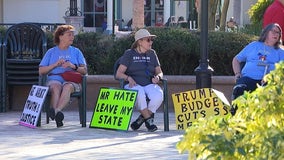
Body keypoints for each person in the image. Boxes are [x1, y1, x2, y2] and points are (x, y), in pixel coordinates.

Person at [39, 25, 87, 127]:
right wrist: (55, 65)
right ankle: (57, 114)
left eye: (73, 35)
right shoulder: (51, 52)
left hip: (71, 80)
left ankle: (56, 111)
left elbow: (84, 70)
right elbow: (41, 71)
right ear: (60, 36)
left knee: (67, 86)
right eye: (69, 34)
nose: (72, 37)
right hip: (54, 79)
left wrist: (73, 66)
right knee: (55, 87)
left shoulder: (76, 51)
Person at [115, 29, 164, 132]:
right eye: (148, 40)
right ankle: (149, 121)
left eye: (151, 40)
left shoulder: (152, 53)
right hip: (133, 84)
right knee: (139, 92)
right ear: (140, 42)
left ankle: (142, 118)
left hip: (149, 83)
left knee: (158, 94)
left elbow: (160, 72)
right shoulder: (129, 54)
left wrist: (158, 77)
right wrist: (128, 78)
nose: (151, 42)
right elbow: (119, 73)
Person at [231, 23, 284, 114]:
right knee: (239, 88)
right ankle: (235, 116)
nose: (276, 34)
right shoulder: (254, 45)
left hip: (267, 81)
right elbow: (236, 59)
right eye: (274, 31)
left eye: (278, 33)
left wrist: (272, 77)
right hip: (248, 78)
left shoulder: (280, 52)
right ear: (266, 32)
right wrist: (237, 73)